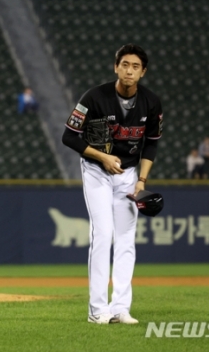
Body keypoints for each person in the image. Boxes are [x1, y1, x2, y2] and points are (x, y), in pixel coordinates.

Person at [62, 44, 163, 325]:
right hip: (97, 171)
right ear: (116, 67)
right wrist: (102, 157)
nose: (129, 70)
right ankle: (98, 310)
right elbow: (69, 136)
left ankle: (120, 308)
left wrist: (141, 181)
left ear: (143, 72)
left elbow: (151, 144)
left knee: (126, 240)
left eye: (135, 66)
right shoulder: (94, 97)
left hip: (129, 174)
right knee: (103, 234)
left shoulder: (151, 102)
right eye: (125, 64)